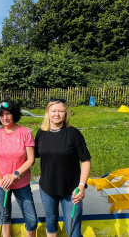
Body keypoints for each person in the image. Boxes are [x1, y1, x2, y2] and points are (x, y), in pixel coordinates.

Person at [35, 98, 91, 237]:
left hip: (72, 191)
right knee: (51, 223)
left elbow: (86, 160)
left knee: (74, 232)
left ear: (65, 113)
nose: (57, 114)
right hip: (47, 189)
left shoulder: (73, 133)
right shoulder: (41, 133)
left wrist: (82, 185)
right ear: (47, 112)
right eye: (53, 111)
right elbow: (30, 156)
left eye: (61, 111)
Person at [0, 100, 37, 237]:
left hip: (21, 183)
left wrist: (14, 175)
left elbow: (31, 160)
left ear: (14, 114)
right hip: (1, 184)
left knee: (32, 219)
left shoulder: (25, 133)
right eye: (1, 115)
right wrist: (0, 180)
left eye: (8, 114)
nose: (5, 118)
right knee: (5, 214)